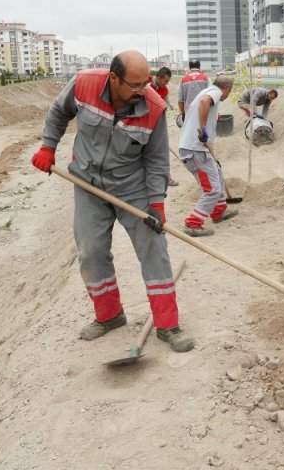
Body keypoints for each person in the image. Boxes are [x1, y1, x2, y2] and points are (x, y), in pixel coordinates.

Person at [30, 51, 194, 353]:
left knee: (154, 249)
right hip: (88, 183)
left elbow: (157, 160)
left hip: (133, 187)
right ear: (114, 78)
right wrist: (48, 147)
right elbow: (58, 113)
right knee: (91, 251)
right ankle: (109, 316)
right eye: (135, 84)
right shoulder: (84, 84)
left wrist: (156, 203)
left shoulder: (153, 107)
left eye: (145, 83)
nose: (142, 90)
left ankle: (168, 325)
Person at [178, 75, 239, 237]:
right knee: (212, 189)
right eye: (229, 92)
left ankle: (218, 212)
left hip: (195, 147)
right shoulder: (215, 92)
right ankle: (192, 223)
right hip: (195, 149)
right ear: (227, 89)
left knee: (217, 174)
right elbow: (205, 102)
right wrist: (203, 128)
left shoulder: (206, 90)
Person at [147, 66, 177, 187]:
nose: (166, 83)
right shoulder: (145, 81)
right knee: (138, 149)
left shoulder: (164, 90)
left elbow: (164, 107)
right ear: (158, 78)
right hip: (140, 124)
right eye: (165, 81)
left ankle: (166, 177)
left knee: (161, 151)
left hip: (155, 124)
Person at [177, 59, 210, 125]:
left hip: (189, 112)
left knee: (191, 130)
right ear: (199, 67)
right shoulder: (205, 78)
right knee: (203, 130)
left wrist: (183, 113)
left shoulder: (183, 80)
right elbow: (210, 96)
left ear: (189, 67)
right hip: (203, 111)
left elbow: (180, 100)